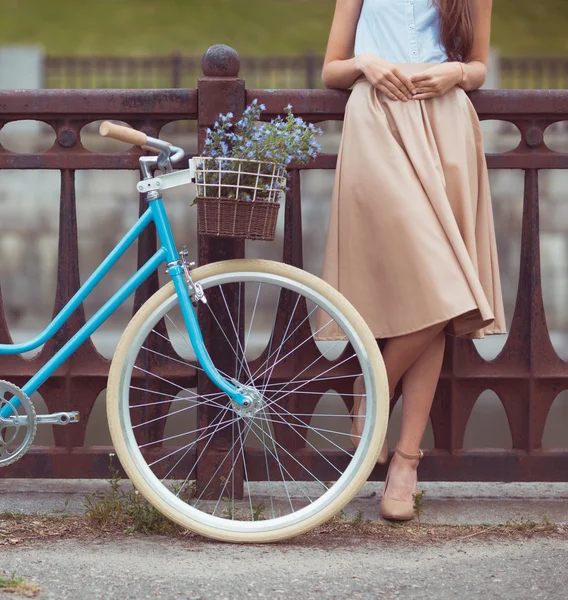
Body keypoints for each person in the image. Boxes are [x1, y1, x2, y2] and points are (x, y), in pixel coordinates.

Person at [318, 0, 506, 520]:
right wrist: (366, 64)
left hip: (445, 123)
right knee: (442, 282)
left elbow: (479, 65)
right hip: (377, 122)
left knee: (443, 291)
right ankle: (377, 393)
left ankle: (403, 458)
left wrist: (457, 73)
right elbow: (332, 67)